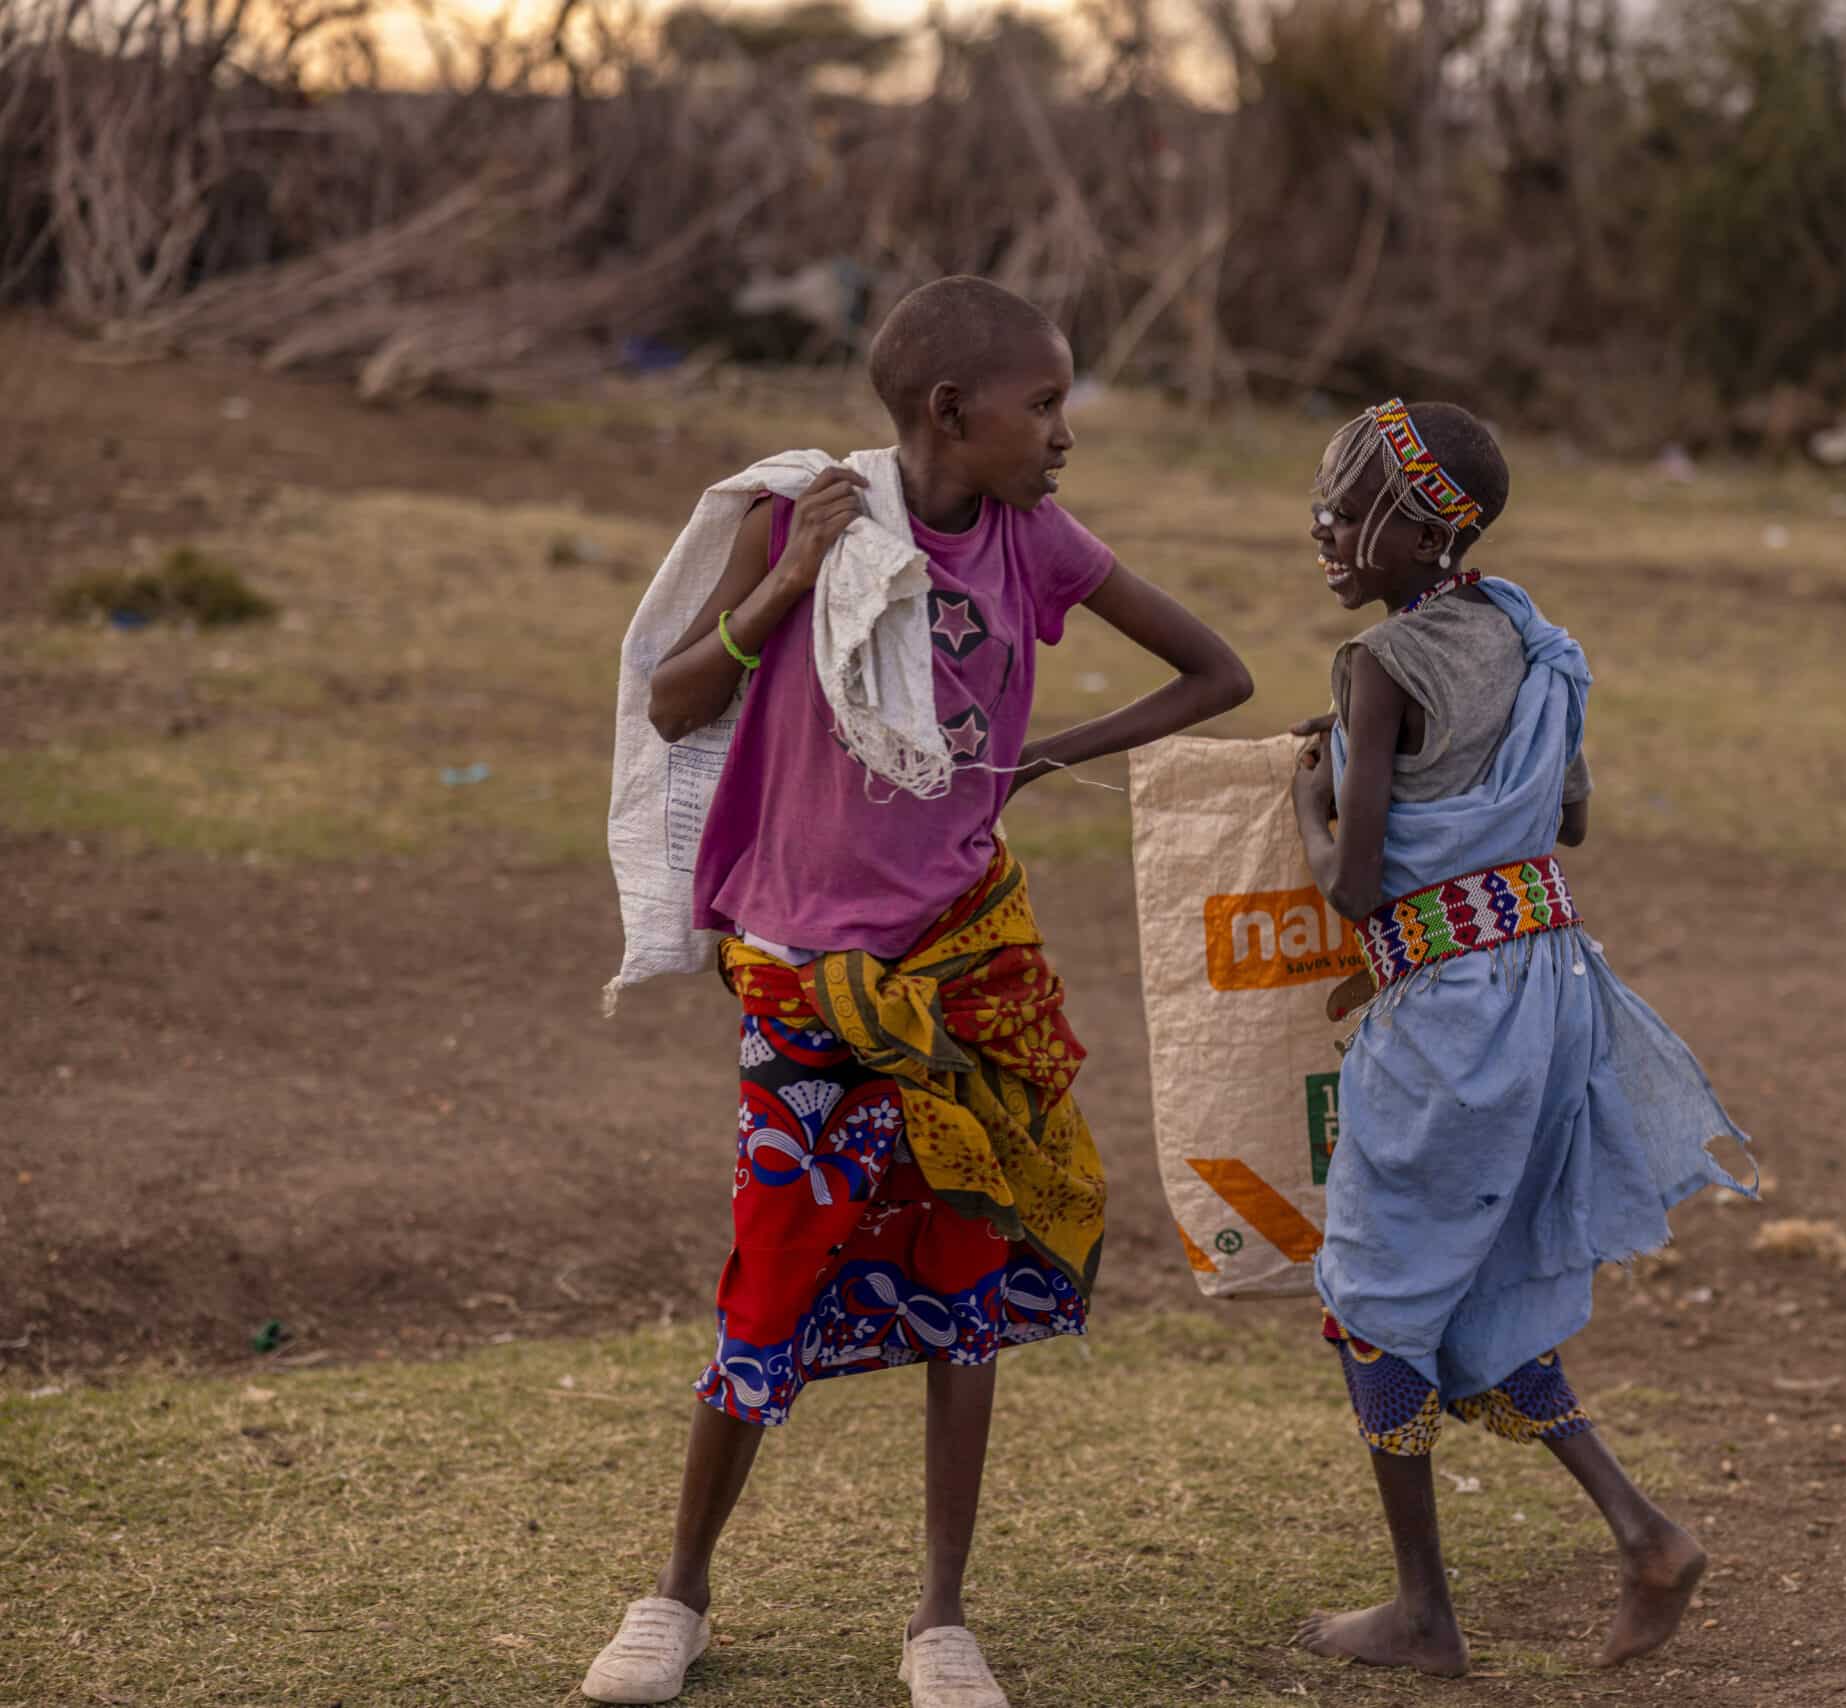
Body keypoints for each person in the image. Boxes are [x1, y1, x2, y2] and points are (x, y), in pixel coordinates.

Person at [582, 276, 1253, 1707]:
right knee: (770, 1277)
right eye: (1049, 404)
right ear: (952, 411)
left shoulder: (1036, 541)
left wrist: (1041, 758)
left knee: (970, 1282)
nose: (1067, 433)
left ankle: (941, 1620)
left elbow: (1218, 671)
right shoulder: (803, 521)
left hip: (966, 964)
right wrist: (787, 580)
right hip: (808, 979)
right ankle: (676, 1594)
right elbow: (674, 700)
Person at [1287, 398, 1754, 1677]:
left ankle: (1424, 1610)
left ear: (1421, 526)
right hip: (1549, 985)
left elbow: (1355, 883)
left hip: (1448, 1005)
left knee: (1376, 1299)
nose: (1323, 525)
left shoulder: (1380, 670)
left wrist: (1310, 797)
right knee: (1473, 1285)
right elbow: (1572, 819)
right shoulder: (1531, 635)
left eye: (1350, 503)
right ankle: (1645, 1532)